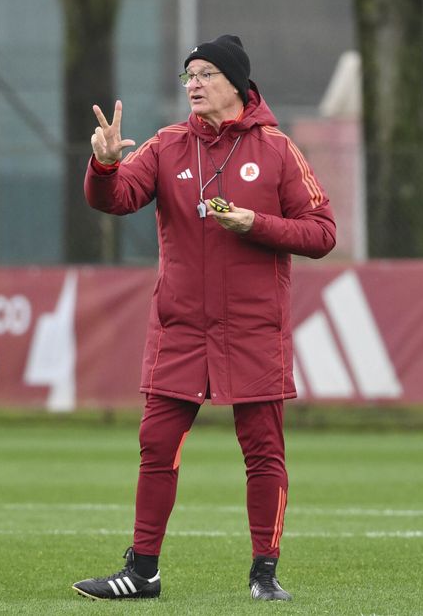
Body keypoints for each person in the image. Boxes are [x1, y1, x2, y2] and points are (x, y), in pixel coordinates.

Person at [73, 35, 336, 601]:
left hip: (253, 330)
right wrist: (104, 165)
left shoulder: (278, 149)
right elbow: (114, 198)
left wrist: (256, 224)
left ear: (237, 84)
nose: (193, 84)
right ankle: (143, 572)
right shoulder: (167, 145)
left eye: (206, 73)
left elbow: (322, 232)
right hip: (181, 330)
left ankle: (264, 575)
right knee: (156, 445)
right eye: (188, 74)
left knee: (263, 453)